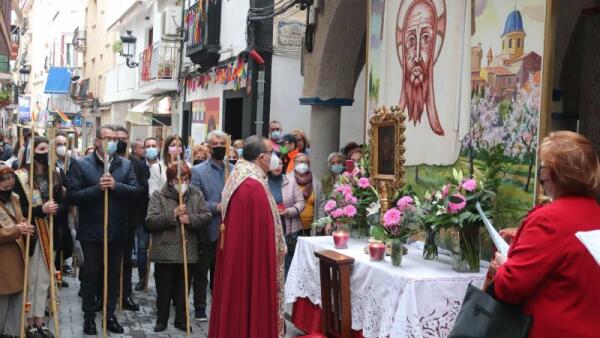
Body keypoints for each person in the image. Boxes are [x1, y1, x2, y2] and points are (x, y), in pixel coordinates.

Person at [492, 131, 600, 338]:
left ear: (557, 174)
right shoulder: (595, 213)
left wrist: (503, 265)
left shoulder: (549, 220)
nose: (541, 177)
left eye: (543, 169)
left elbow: (509, 287)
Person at [208, 136, 286, 338]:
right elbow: (262, 238)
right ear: (262, 157)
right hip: (250, 263)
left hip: (237, 257)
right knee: (249, 300)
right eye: (272, 153)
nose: (275, 157)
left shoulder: (240, 176)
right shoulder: (253, 187)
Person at [68, 125, 141, 335]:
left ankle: (109, 315)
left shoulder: (125, 165)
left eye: (114, 139)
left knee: (112, 275)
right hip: (92, 231)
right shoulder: (81, 165)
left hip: (117, 230)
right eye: (106, 138)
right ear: (97, 141)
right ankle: (89, 316)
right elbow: (73, 196)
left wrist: (116, 186)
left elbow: (136, 191)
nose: (111, 142)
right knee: (91, 274)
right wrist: (97, 189)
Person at [146, 163, 211, 333]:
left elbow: (206, 216)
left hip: (187, 250)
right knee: (164, 289)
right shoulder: (158, 195)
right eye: (177, 179)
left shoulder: (196, 194)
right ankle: (162, 319)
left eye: (185, 179)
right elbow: (150, 222)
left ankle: (182, 319)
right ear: (169, 180)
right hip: (164, 251)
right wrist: (172, 215)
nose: (181, 182)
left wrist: (190, 219)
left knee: (184, 289)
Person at [14, 136, 65, 338]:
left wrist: (55, 208)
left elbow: (63, 203)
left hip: (50, 232)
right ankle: (28, 320)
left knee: (44, 279)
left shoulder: (56, 175)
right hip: (30, 234)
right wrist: (40, 209)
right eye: (41, 149)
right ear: (32, 151)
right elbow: (18, 209)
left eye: (48, 149)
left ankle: (40, 318)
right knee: (31, 279)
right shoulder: (22, 176)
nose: (45, 153)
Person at [190, 130, 234, 322]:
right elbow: (195, 200)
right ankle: (200, 307)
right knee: (202, 271)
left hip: (231, 228)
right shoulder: (198, 171)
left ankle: (221, 307)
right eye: (214, 144)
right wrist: (216, 207)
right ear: (208, 147)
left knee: (224, 273)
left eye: (222, 144)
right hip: (208, 229)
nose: (218, 148)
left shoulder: (233, 169)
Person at [0, 164, 35, 338]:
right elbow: (14, 227)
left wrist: (27, 226)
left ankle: (12, 333)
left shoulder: (14, 198)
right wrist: (16, 230)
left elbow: (20, 219)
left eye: (10, 179)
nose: (8, 183)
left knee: (17, 307)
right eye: (3, 181)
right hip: (2, 264)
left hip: (18, 259)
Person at [114, 126, 141, 311]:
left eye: (124, 138)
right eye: (117, 138)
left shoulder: (135, 164)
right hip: (108, 220)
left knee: (126, 261)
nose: (120, 142)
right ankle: (106, 295)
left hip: (128, 219)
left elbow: (140, 190)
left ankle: (125, 295)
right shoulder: (107, 161)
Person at [128, 139, 151, 292]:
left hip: (144, 212)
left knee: (142, 247)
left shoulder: (146, 165)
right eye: (143, 147)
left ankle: (143, 277)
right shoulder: (130, 163)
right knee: (132, 247)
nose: (145, 150)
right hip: (132, 212)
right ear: (135, 150)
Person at [279, 162, 304, 276]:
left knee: (289, 262)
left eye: (280, 164)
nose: (278, 166)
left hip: (290, 229)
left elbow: (301, 203)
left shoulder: (291, 181)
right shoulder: (263, 182)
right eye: (275, 164)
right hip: (272, 228)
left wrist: (289, 211)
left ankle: (287, 291)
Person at [291, 153, 325, 236]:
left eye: (303, 161)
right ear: (294, 164)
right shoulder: (287, 181)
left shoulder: (316, 183)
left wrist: (321, 221)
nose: (301, 164)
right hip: (292, 228)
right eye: (298, 161)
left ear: (308, 164)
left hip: (310, 228)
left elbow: (321, 203)